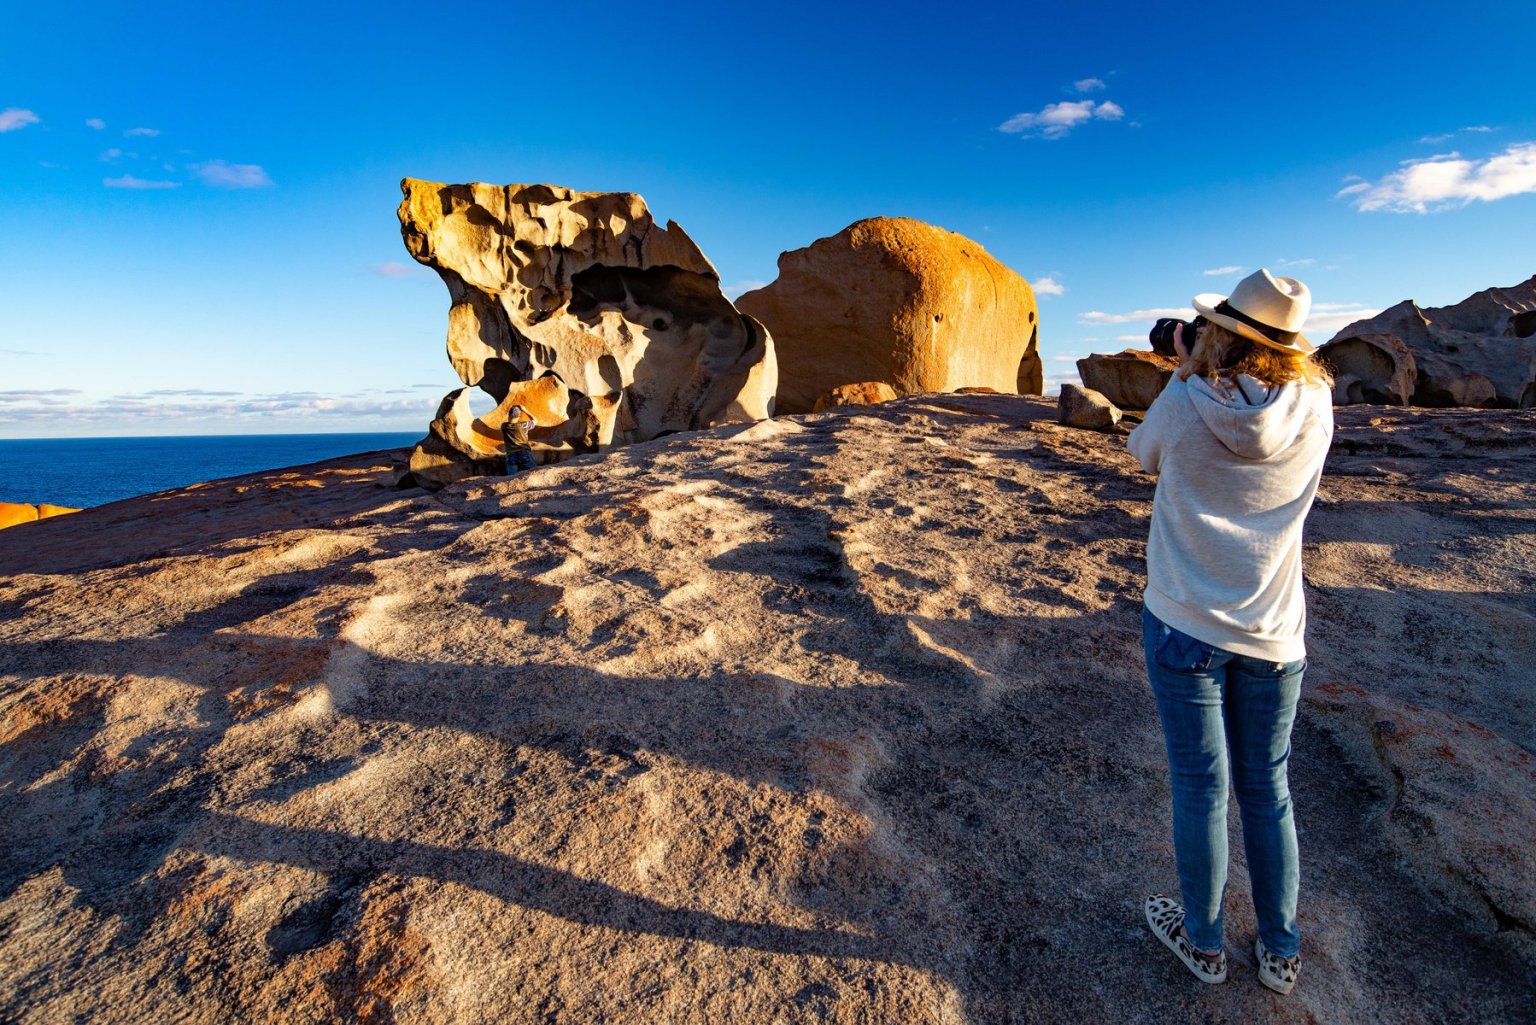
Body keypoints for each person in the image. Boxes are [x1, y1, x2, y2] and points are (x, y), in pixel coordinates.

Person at [1126, 269, 1334, 995]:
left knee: (1201, 787)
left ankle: (1204, 941)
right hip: (1276, 633)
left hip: (1185, 621)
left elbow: (1141, 453)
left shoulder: (1184, 403)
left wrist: (1183, 370)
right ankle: (1279, 951)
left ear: (1219, 333)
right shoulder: (1316, 404)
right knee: (1268, 788)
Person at [501, 405, 539, 475]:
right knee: (534, 473)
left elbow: (510, 420)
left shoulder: (504, 426)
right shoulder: (523, 425)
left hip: (510, 454)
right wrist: (525, 410)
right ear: (519, 415)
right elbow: (535, 420)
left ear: (509, 415)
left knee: (511, 477)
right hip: (524, 452)